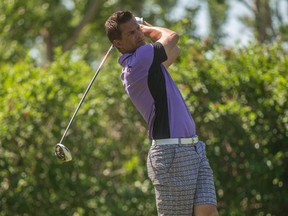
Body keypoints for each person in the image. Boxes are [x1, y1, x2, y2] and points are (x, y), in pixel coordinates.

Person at [105, 10, 219, 216]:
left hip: (193, 148)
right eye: (131, 33)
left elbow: (174, 50)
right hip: (171, 153)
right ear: (118, 44)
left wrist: (141, 29)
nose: (138, 34)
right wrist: (148, 28)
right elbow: (172, 36)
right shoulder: (140, 60)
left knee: (208, 212)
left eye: (137, 29)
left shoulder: (145, 63)